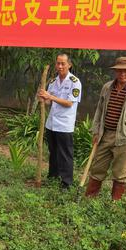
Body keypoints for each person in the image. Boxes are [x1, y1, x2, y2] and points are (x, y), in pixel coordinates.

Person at [85, 56, 126, 200]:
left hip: (125, 138)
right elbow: (99, 110)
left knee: (120, 173)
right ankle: (90, 198)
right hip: (105, 134)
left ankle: (116, 203)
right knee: (97, 168)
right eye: (120, 71)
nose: (123, 74)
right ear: (115, 72)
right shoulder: (107, 87)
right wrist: (96, 130)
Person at [38, 53, 82, 189]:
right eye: (58, 63)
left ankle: (66, 182)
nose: (60, 66)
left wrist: (50, 96)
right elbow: (48, 101)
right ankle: (53, 176)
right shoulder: (53, 81)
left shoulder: (75, 82)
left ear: (69, 65)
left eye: (63, 63)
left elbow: (69, 103)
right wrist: (43, 99)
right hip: (51, 123)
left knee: (65, 154)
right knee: (53, 151)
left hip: (64, 124)